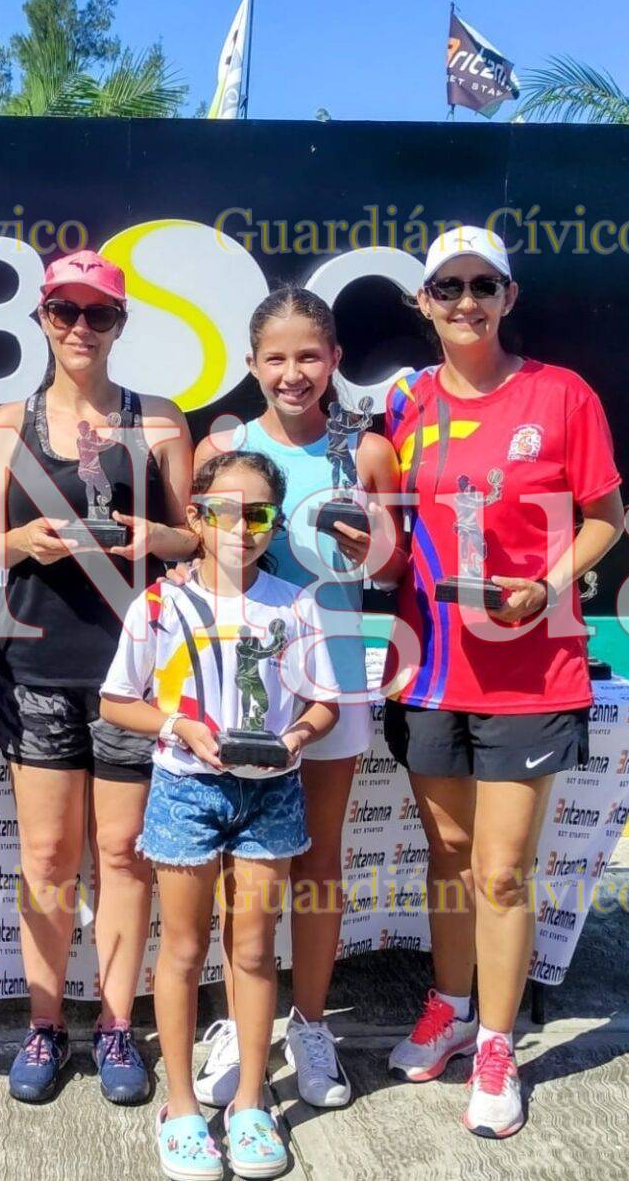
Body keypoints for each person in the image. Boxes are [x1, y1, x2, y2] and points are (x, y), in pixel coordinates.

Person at [382, 226, 624, 1138]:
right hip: (430, 665)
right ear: (425, 305)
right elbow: (390, 529)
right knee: (448, 858)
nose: (467, 302)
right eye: (448, 288)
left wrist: (547, 585)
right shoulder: (404, 405)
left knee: (501, 870)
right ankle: (448, 1006)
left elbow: (606, 516)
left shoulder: (560, 394)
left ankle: (496, 1041)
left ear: (509, 296)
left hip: (532, 667)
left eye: (484, 285)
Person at [0, 250, 198, 1104]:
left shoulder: (160, 420)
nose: (79, 329)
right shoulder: (6, 423)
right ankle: (43, 1023)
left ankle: (111, 1024)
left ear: (120, 325)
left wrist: (147, 539)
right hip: (36, 666)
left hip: (134, 674)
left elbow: (194, 539)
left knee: (121, 856)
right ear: (41, 321)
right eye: (64, 313)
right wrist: (22, 544)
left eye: (97, 314)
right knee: (48, 857)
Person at [191, 288, 405, 1110]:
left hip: (334, 679)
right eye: (275, 358)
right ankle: (233, 1024)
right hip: (238, 682)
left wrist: (378, 547)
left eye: (308, 356)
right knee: (236, 869)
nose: (292, 373)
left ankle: (310, 1024)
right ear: (250, 365)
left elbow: (391, 571)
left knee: (317, 861)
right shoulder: (225, 446)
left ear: (336, 360)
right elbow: (203, 557)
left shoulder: (369, 452)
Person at [100, 450, 340, 1181]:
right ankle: (179, 1106)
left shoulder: (295, 606)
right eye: (225, 511)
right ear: (198, 517)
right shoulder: (158, 604)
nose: (243, 527)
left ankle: (249, 1102)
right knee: (180, 950)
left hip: (271, 792)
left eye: (260, 513)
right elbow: (117, 700)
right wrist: (179, 728)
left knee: (257, 948)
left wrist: (294, 738)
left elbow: (325, 704)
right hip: (186, 792)